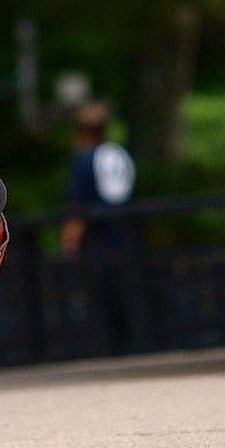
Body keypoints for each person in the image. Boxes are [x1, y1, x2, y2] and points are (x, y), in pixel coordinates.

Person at [61, 102, 140, 354]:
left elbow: (78, 208)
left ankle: (107, 348)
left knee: (100, 298)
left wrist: (70, 242)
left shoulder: (84, 160)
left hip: (97, 240)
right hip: (125, 235)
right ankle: (133, 343)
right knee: (126, 294)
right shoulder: (120, 155)